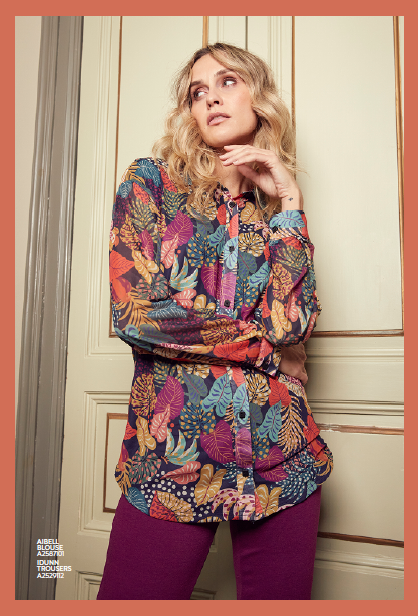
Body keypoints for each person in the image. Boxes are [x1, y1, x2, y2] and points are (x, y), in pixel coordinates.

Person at [98, 42, 333, 601]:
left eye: (227, 82)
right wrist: (265, 351)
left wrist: (291, 201)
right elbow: (137, 310)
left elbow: (293, 324)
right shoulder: (152, 183)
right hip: (174, 459)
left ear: (260, 99)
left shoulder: (272, 217)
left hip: (283, 459)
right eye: (197, 92)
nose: (210, 98)